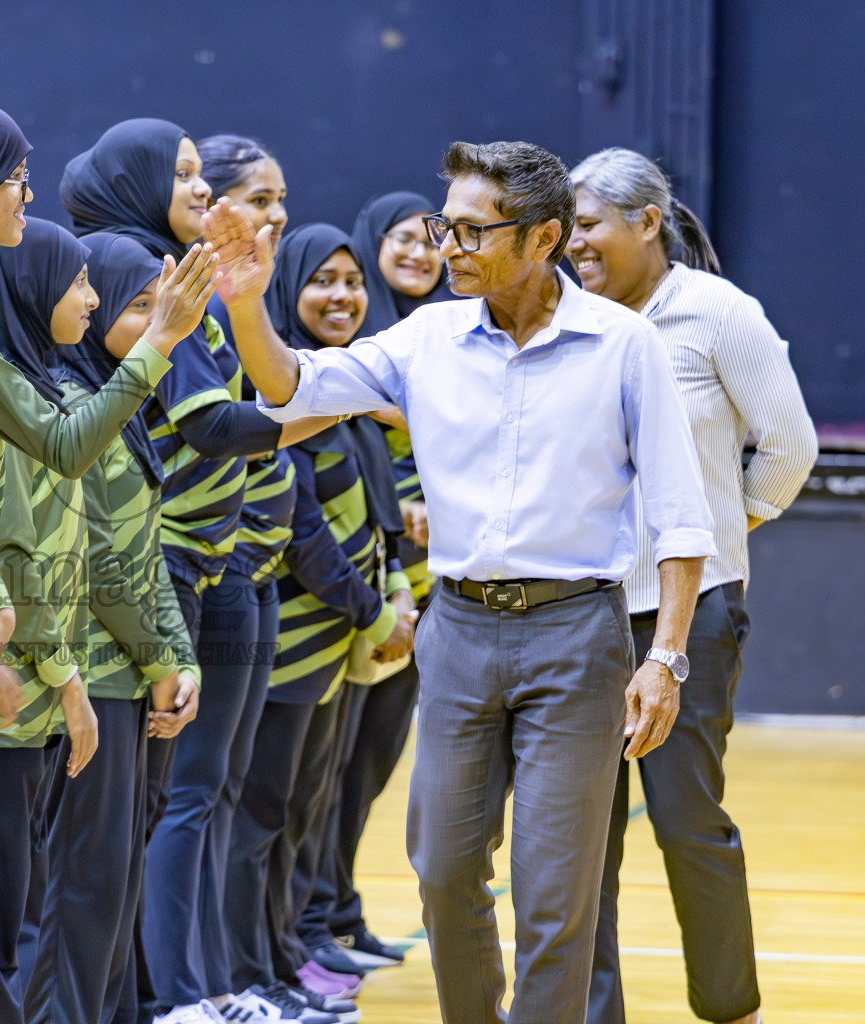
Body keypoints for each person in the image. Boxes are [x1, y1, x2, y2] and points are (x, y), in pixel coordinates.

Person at [206, 139, 717, 1024]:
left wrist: (666, 655)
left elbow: (681, 514)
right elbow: (294, 389)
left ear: (544, 237)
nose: (448, 246)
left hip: (577, 637)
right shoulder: (427, 337)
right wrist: (249, 307)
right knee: (443, 872)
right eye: (445, 224)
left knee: (555, 898)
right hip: (459, 634)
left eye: (474, 230)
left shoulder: (624, 345)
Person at [0, 98, 190, 1024]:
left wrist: (167, 651)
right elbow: (48, 549)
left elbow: (140, 549)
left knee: (23, 906)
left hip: (12, 672)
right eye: (8, 174)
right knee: (6, 913)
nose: (102, 305)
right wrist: (72, 672)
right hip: (0, 679)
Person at [60, 119, 332, 1024]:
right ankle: (178, 994)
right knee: (182, 797)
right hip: (168, 567)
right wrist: (344, 400)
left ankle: (218, 985)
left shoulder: (198, 284)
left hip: (226, 564)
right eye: (188, 178)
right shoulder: (151, 282)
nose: (200, 195)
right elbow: (213, 426)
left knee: (212, 788)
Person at [568, 146, 817, 1024]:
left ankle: (729, 1007)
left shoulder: (717, 314)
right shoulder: (567, 319)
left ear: (647, 221)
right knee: (581, 836)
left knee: (684, 820)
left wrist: (712, 536)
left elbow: (790, 449)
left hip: (691, 618)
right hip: (578, 614)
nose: (575, 243)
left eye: (591, 223)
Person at [221, 224, 413, 1023]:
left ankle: (288, 953)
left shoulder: (353, 396)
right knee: (264, 814)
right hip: (296, 638)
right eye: (322, 282)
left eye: (351, 282)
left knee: (306, 807)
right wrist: (372, 611)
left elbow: (374, 519)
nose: (341, 297)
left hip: (339, 644)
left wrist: (391, 587)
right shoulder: (285, 392)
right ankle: (255, 968)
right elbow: (303, 530)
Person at [22, 230, 209, 1024]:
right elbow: (97, 561)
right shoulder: (74, 405)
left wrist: (179, 661)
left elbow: (145, 547)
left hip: (132, 679)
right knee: (77, 894)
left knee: (109, 892)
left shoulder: (118, 410)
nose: (147, 322)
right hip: (94, 679)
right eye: (137, 307)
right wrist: (162, 657)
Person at [306, 190, 454, 976]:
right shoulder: (362, 349)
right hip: (365, 592)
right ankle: (320, 916)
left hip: (418, 593)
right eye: (403, 238)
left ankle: (340, 906)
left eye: (435, 238)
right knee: (332, 768)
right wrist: (405, 506)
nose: (421, 253)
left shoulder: (452, 340)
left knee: (368, 766)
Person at [0, 218, 105, 1024]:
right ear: (26, 288)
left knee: (12, 904)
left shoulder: (43, 390)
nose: (87, 297)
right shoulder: (15, 408)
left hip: (32, 702)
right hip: (5, 701)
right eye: (75, 280)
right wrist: (66, 679)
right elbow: (19, 562)